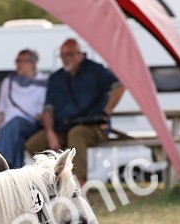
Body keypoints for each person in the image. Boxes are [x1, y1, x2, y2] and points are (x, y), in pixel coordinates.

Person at [25, 38, 124, 184]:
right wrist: (50, 132)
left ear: (79, 54)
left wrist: (106, 111)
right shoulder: (56, 78)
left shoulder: (96, 71)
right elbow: (48, 109)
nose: (65, 59)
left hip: (94, 126)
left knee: (76, 134)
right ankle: (53, 181)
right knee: (33, 144)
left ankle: (79, 186)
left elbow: (119, 87)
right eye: (62, 55)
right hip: (62, 127)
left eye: (69, 54)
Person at [0, 49, 47, 169]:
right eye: (17, 61)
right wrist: (1, 128)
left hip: (31, 123)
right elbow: (1, 109)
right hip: (9, 127)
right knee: (17, 138)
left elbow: (46, 109)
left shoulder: (44, 82)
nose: (18, 64)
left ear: (33, 63)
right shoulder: (8, 81)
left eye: (23, 61)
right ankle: (14, 171)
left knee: (16, 123)